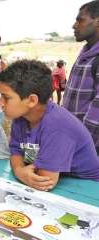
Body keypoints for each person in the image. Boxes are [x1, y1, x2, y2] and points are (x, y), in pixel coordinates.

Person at [0, 60, 99, 191]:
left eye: (6, 97)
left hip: (87, 188)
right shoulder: (21, 117)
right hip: (61, 178)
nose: (0, 103)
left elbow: (45, 182)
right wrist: (19, 170)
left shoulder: (57, 126)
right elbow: (16, 151)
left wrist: (21, 172)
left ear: (32, 100)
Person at [63, 0, 99, 154]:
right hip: (73, 141)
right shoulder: (85, 54)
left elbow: (96, 115)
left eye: (80, 20)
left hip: (87, 149)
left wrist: (80, 147)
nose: (74, 25)